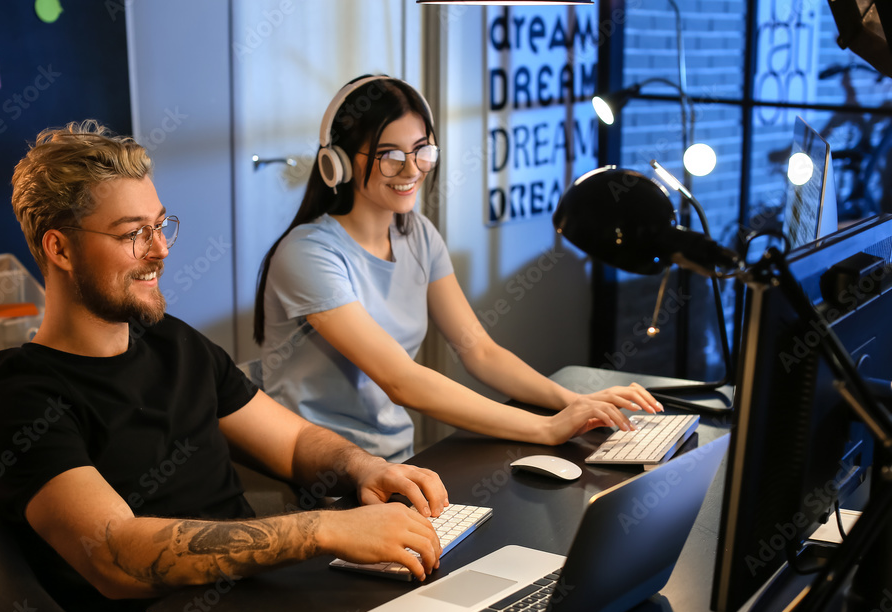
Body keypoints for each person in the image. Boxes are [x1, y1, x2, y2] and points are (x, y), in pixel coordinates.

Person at [0, 120, 449, 612]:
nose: (159, 251)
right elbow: (115, 555)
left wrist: (364, 467)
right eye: (133, 233)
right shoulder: (24, 395)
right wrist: (323, 529)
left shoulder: (173, 343)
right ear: (59, 249)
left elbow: (293, 442)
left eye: (161, 226)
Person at [254, 75, 663, 463]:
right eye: (389, 156)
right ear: (337, 163)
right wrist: (546, 429)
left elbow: (479, 351)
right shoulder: (307, 254)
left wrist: (574, 402)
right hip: (319, 470)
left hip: (396, 463)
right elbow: (401, 380)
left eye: (422, 151)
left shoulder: (418, 235)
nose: (412, 170)